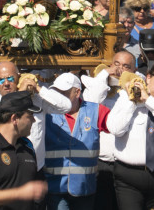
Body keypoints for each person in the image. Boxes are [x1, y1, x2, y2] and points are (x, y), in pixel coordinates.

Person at [106, 60, 154, 210]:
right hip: (129, 176)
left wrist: (149, 101)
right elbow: (115, 128)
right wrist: (133, 101)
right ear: (148, 78)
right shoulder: (125, 96)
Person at [43, 72, 106, 210]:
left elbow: (118, 127)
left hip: (85, 188)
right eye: (56, 92)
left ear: (77, 92)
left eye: (63, 92)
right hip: (56, 186)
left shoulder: (95, 110)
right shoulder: (47, 112)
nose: (58, 96)